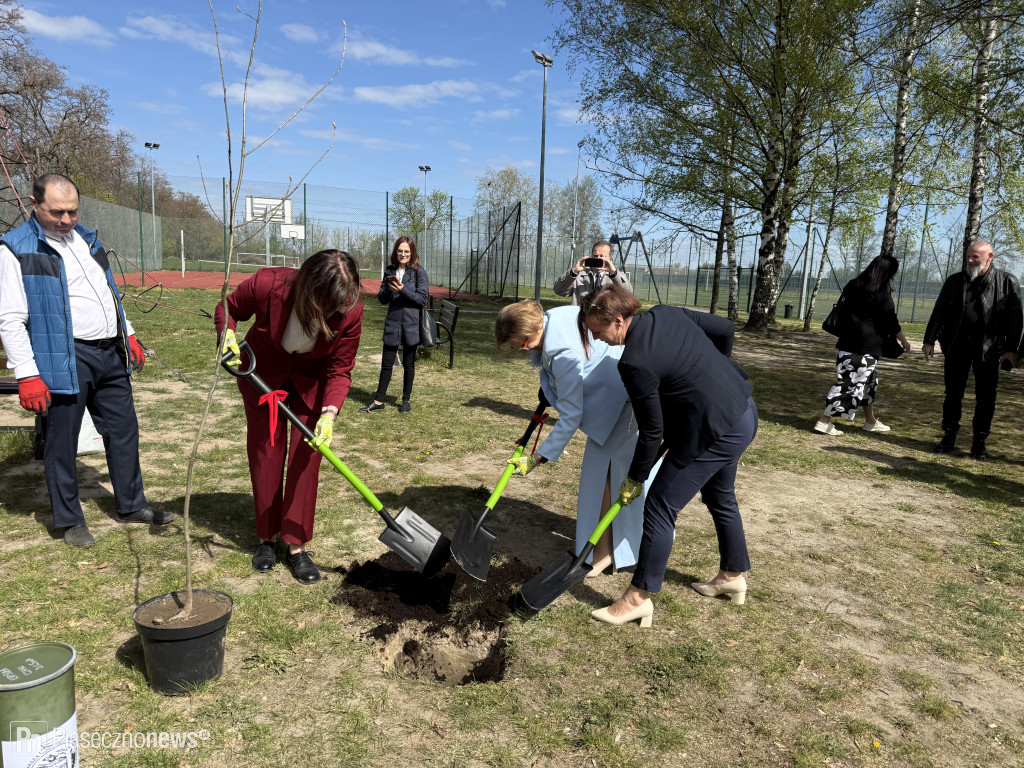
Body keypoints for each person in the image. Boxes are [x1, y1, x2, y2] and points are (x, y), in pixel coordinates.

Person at [0, 173, 170, 547]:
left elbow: (110, 293)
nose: (66, 220)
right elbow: (10, 319)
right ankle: (69, 519)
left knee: (124, 430)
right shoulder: (16, 249)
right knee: (62, 442)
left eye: (73, 211)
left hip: (110, 352)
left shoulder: (88, 240)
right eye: (57, 212)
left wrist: (128, 333)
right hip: (65, 355)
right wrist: (27, 374)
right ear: (33, 204)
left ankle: (130, 504)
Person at [579, 286, 758, 627]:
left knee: (660, 505)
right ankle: (732, 574)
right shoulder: (667, 313)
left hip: (716, 429)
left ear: (618, 321)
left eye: (599, 331)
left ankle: (636, 599)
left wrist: (635, 478)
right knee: (720, 495)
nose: (597, 338)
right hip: (743, 412)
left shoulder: (633, 363)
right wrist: (718, 372)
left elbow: (651, 432)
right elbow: (725, 330)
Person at [215, 249, 362, 583]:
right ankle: (266, 538)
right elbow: (228, 308)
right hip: (262, 376)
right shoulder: (268, 284)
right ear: (312, 291)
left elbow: (341, 368)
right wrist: (227, 334)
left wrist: (329, 413)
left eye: (346, 301)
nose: (341, 310)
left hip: (311, 384)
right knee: (266, 453)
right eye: (334, 304)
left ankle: (295, 544)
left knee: (305, 458)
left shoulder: (350, 310)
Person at [494, 300, 660, 574]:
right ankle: (612, 549)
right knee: (603, 477)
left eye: (522, 346)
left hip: (620, 406)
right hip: (616, 396)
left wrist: (538, 458)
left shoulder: (562, 353)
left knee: (609, 478)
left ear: (532, 330)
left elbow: (571, 414)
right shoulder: (553, 316)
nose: (524, 352)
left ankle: (607, 553)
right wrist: (549, 389)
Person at [923, 241, 1022, 460]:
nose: (969, 261)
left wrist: (1011, 350)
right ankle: (949, 436)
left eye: (975, 257)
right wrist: (929, 340)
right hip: (956, 346)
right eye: (968, 256)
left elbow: (1016, 320)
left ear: (990, 257)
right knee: (953, 394)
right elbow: (939, 312)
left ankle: (980, 442)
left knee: (986, 397)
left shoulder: (1007, 282)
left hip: (989, 350)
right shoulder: (955, 281)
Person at [813, 255, 911, 436]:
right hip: (865, 347)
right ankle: (824, 421)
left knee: (868, 383)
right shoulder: (881, 292)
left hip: (846, 343)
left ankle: (870, 421)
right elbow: (890, 320)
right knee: (850, 385)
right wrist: (903, 340)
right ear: (890, 272)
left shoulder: (853, 284)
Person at [358, 237, 429, 414]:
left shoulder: (419, 272)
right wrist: (390, 289)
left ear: (412, 253)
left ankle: (406, 400)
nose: (403, 254)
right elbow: (382, 299)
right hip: (393, 324)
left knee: (408, 364)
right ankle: (379, 400)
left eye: (406, 251)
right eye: (400, 251)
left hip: (411, 325)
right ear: (395, 252)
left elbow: (422, 300)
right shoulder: (390, 271)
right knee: (386, 364)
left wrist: (402, 290)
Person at [553, 240, 633, 306]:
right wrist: (574, 271)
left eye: (602, 256)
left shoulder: (616, 277)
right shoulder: (579, 276)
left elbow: (628, 295)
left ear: (610, 260)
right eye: (595, 256)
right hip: (581, 321)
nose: (598, 259)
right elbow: (559, 290)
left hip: (606, 322)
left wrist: (613, 273)